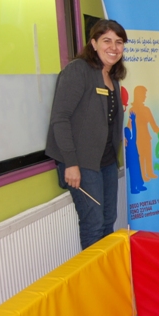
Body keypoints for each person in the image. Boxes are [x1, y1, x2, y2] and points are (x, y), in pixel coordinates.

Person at [45, 19, 127, 250]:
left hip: (107, 162)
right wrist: (70, 163)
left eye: (119, 42)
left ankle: (105, 276)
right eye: (107, 41)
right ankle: (94, 282)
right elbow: (60, 119)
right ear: (93, 43)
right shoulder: (78, 70)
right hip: (81, 163)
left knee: (108, 221)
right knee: (93, 223)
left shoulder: (113, 77)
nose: (113, 47)